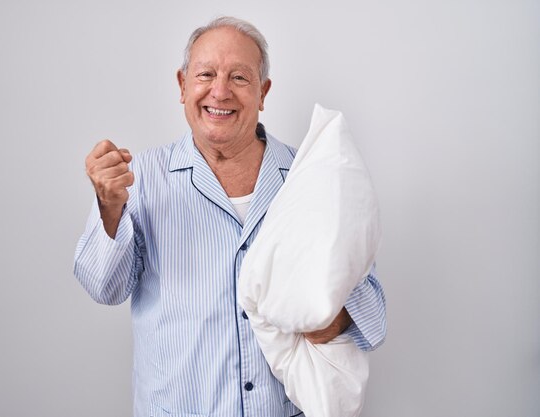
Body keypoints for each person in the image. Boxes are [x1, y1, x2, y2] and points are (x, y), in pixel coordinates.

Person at [74, 16, 386, 417]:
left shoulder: (310, 177)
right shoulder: (141, 179)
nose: (219, 91)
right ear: (182, 85)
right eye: (206, 74)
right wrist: (108, 207)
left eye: (239, 78)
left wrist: (324, 316)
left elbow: (374, 314)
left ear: (263, 92)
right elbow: (105, 287)